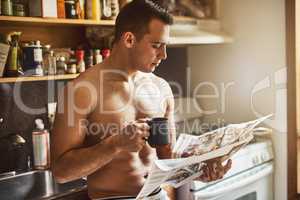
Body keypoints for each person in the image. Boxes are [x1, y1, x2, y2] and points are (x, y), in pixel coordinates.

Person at [51, 0, 231, 199]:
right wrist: (115, 144)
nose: (163, 55)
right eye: (156, 45)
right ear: (129, 39)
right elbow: (61, 172)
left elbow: (167, 158)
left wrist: (201, 170)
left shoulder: (161, 88)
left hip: (158, 196)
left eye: (165, 46)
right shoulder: (81, 91)